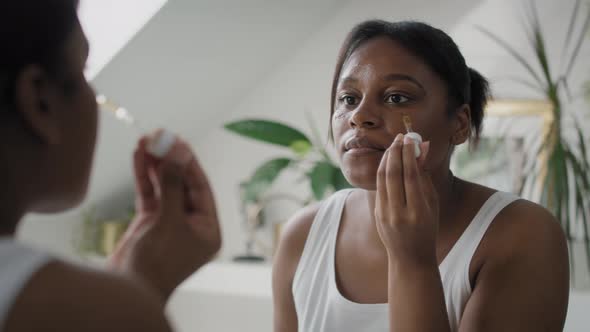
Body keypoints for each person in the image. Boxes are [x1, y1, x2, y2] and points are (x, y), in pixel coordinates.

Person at [273, 20, 569, 332]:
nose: (359, 116)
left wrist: (412, 261)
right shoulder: (303, 236)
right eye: (348, 98)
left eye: (396, 98)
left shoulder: (522, 234)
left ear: (459, 124)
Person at [0, 1, 221, 331]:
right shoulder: (92, 310)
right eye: (84, 70)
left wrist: (129, 283)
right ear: (39, 99)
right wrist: (146, 286)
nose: (96, 98)